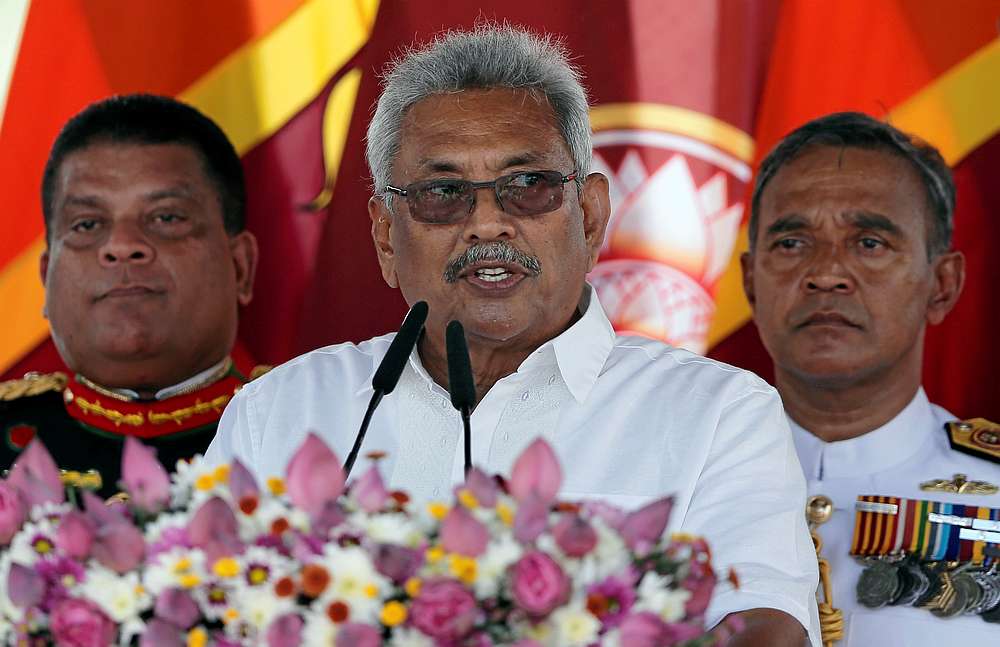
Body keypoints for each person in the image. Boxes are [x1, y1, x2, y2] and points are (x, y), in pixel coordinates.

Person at [207, 25, 820, 645]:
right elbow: (200, 613)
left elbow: (763, 629)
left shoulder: (718, 414)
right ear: (387, 238)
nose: (487, 223)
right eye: (443, 193)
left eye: (527, 186)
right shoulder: (279, 411)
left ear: (588, 216)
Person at [742, 111, 1000, 645]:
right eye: (791, 243)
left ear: (943, 286)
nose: (826, 272)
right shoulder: (665, 486)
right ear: (750, 282)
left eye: (870, 243)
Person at [0, 94, 262, 497]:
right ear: (44, 281)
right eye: (87, 224)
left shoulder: (327, 428)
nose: (122, 245)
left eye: (166, 217)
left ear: (241, 267)